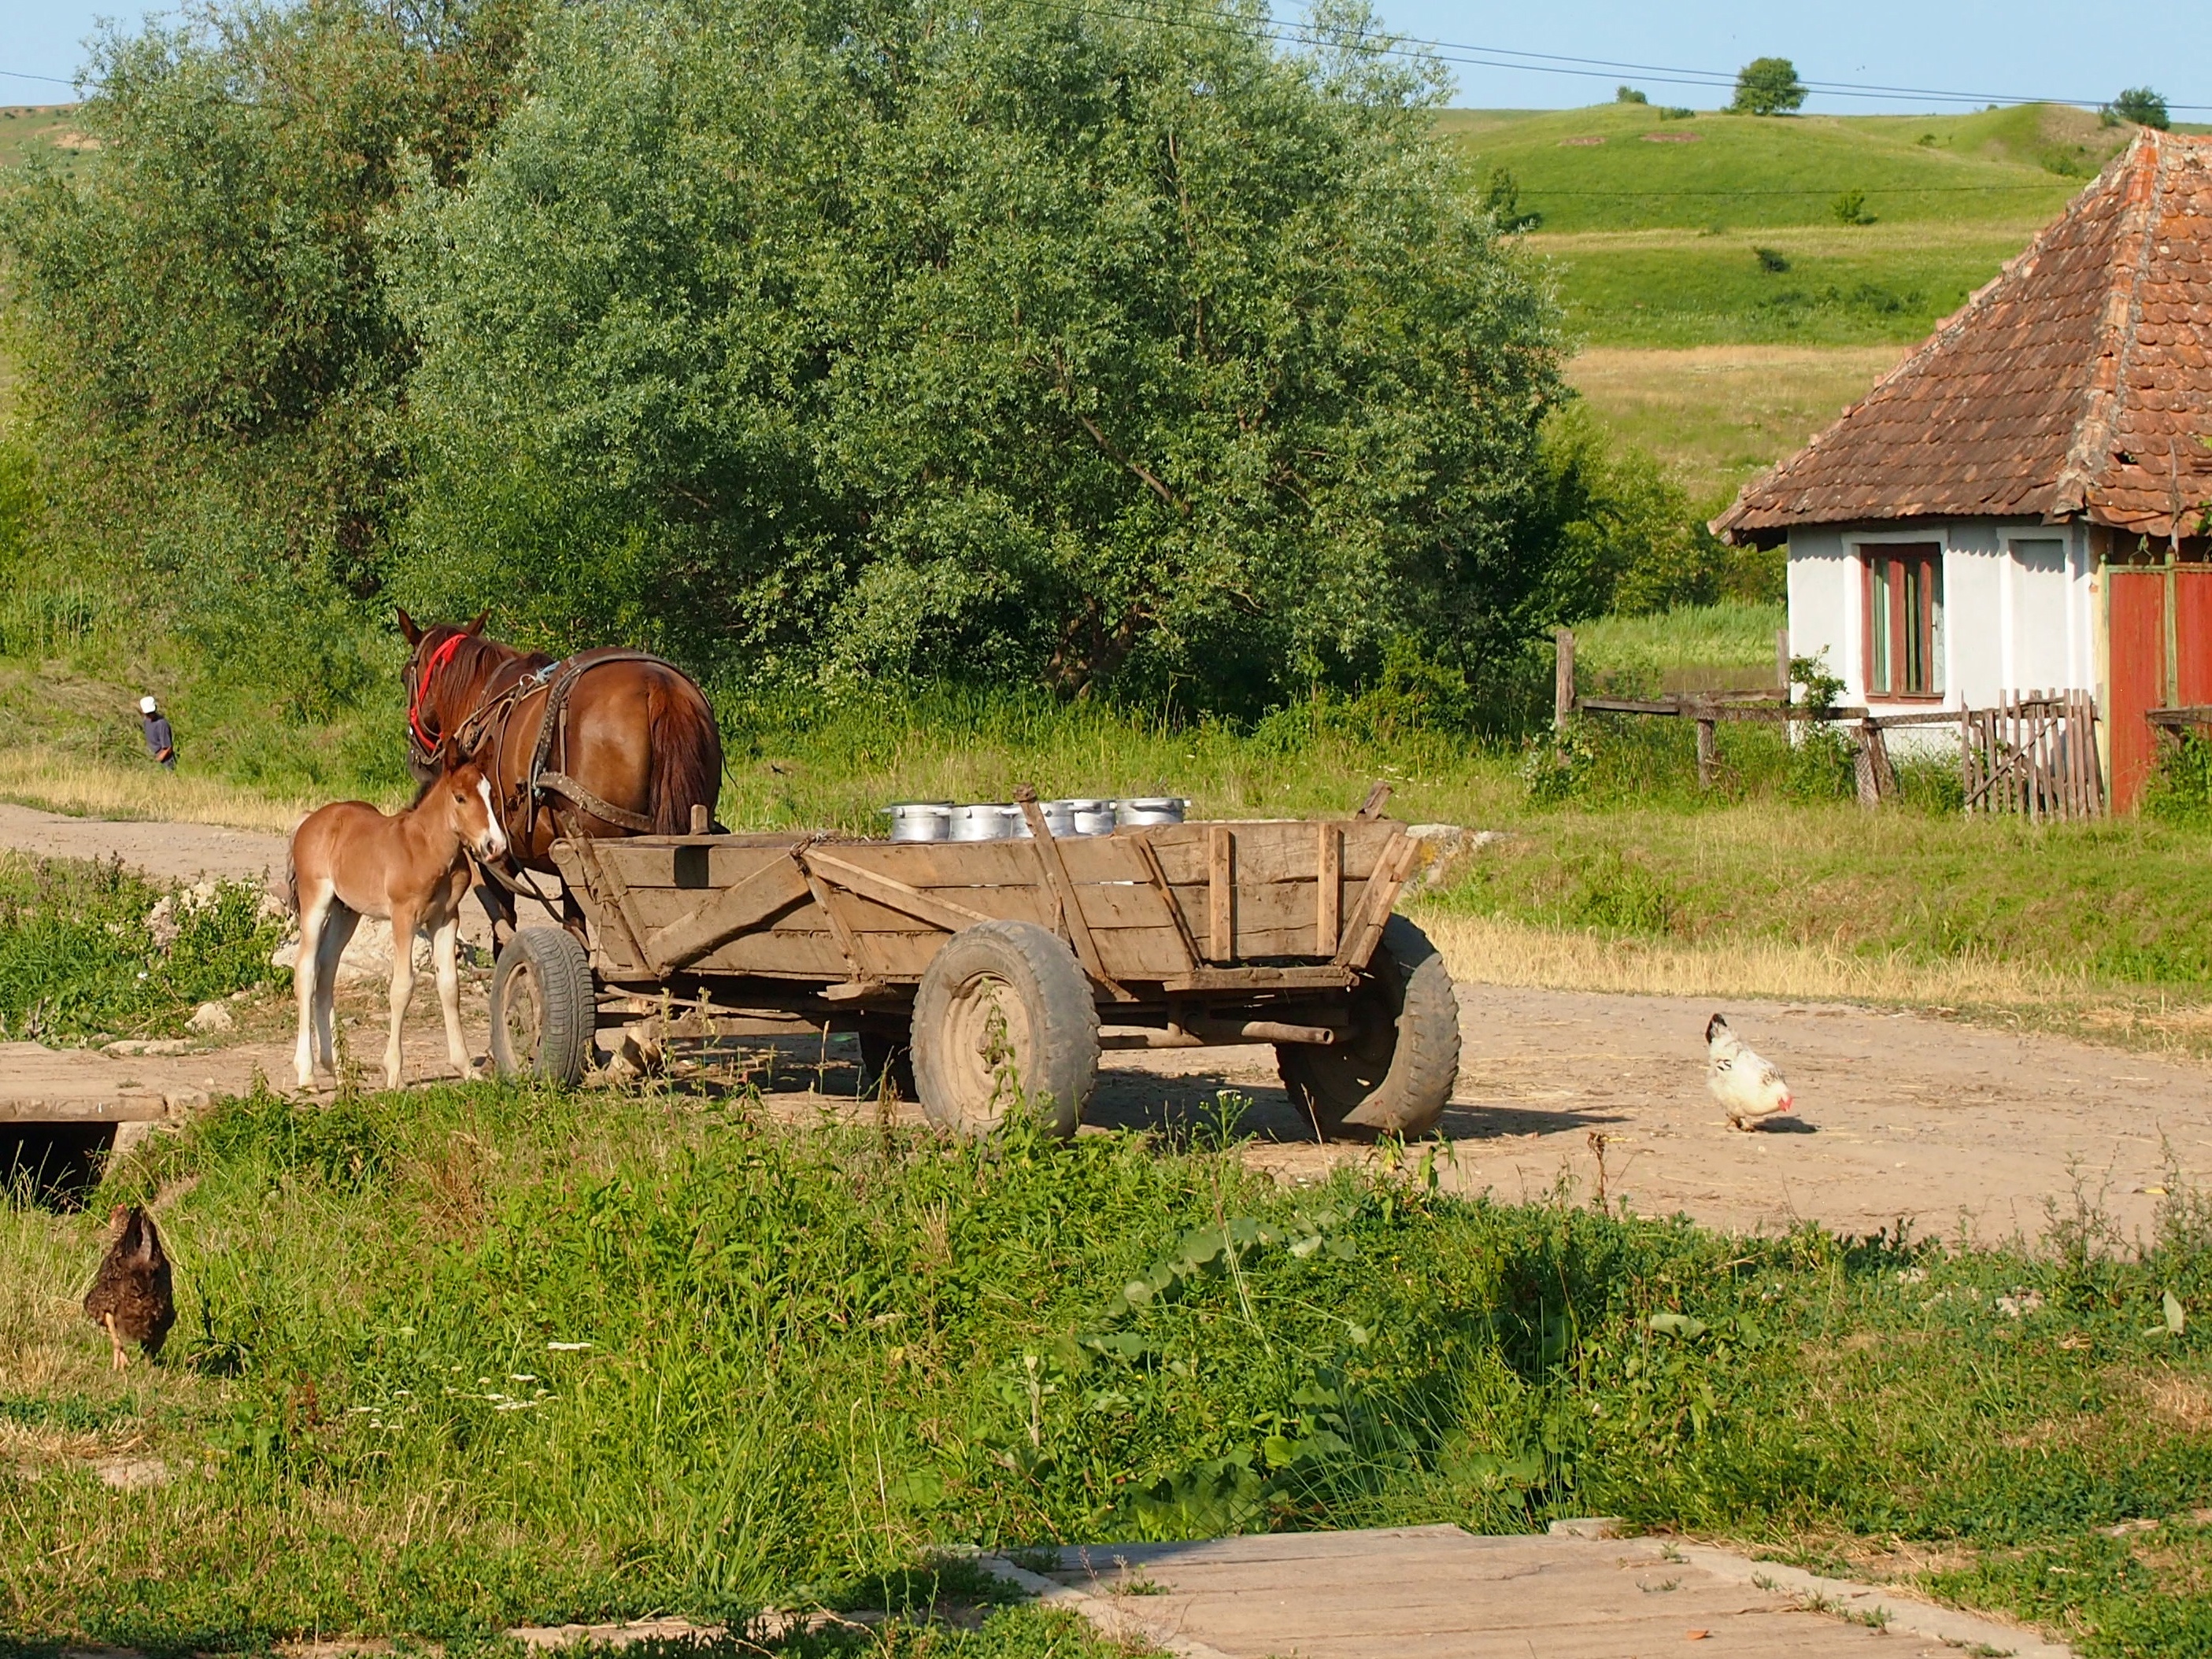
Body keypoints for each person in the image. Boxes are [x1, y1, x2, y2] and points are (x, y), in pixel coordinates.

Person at [139, 696, 176, 770]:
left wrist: (157, 761)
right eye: (148, 713)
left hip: (165, 763)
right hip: (152, 758)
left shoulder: (161, 724)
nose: (150, 715)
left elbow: (168, 748)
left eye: (151, 712)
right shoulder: (146, 722)